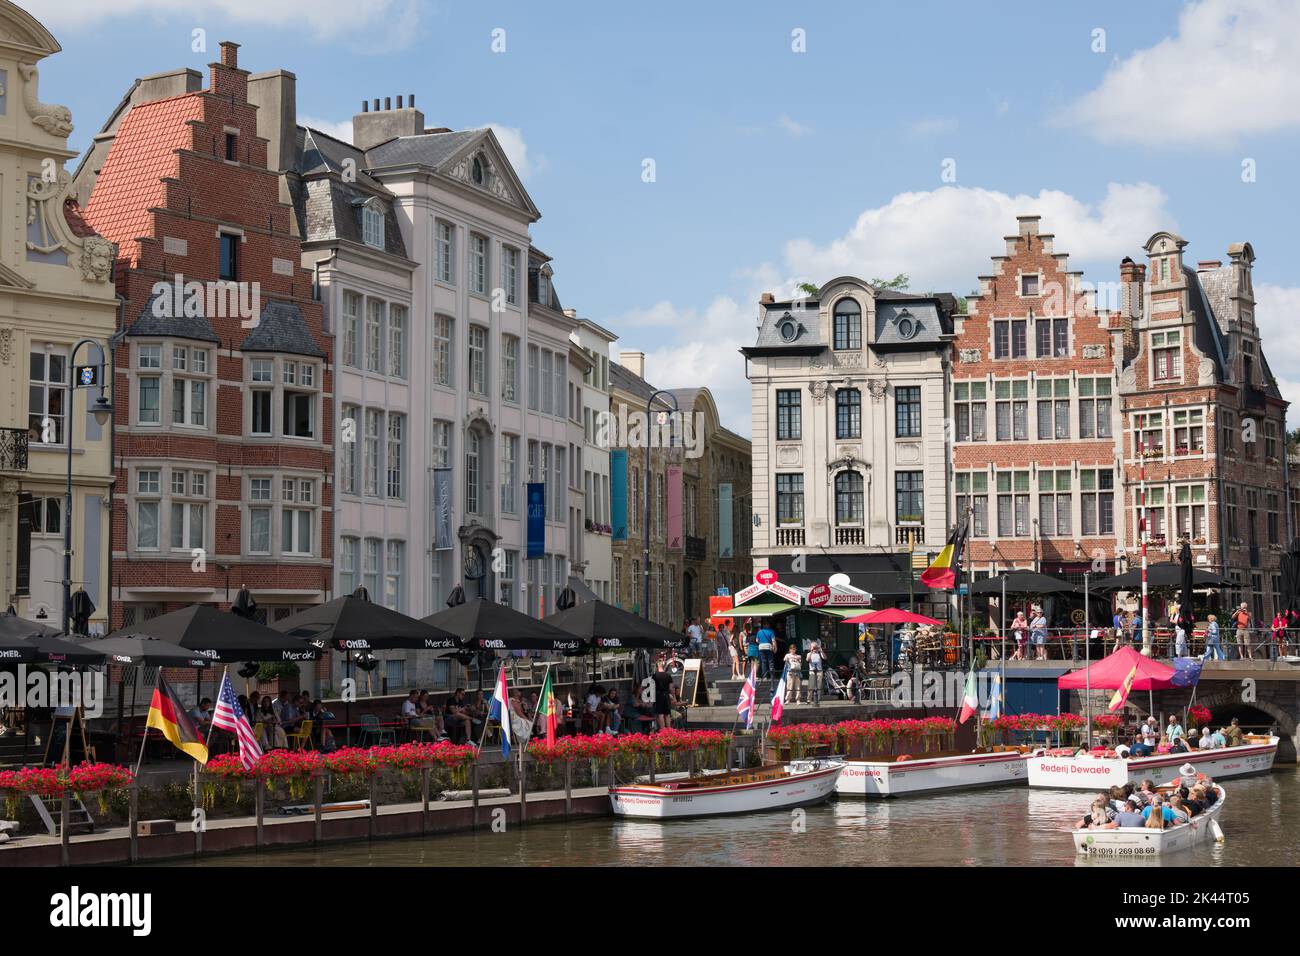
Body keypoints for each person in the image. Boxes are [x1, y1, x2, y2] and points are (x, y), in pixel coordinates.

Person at [651, 661, 676, 730]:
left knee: (660, 714)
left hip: (658, 695)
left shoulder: (655, 675)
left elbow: (652, 688)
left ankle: (663, 731)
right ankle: (669, 730)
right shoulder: (668, 675)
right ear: (663, 666)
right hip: (666, 695)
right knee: (667, 714)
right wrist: (674, 697)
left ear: (656, 666)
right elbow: (671, 688)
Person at [807, 641, 825, 706]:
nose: (815, 648)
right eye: (813, 647)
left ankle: (818, 699)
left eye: (815, 647)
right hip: (812, 671)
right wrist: (811, 652)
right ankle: (809, 699)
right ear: (811, 647)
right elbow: (807, 660)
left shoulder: (819, 653)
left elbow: (825, 658)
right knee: (811, 685)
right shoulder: (809, 654)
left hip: (819, 671)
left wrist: (821, 650)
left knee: (819, 686)